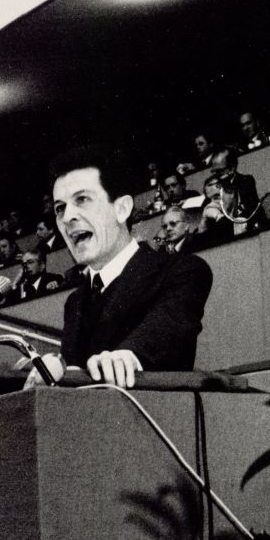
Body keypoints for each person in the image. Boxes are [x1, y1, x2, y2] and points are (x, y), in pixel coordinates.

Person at [48, 144, 213, 388]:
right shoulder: (75, 302)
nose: (67, 217)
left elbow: (167, 327)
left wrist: (128, 356)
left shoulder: (183, 271)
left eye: (82, 200)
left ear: (122, 208)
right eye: (59, 208)